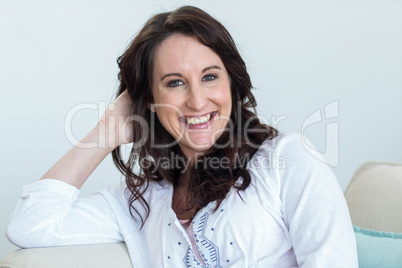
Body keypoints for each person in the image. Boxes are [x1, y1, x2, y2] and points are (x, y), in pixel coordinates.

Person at [6, 5, 358, 267]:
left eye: (210, 77)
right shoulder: (140, 200)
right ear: (150, 100)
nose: (197, 100)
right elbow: (31, 227)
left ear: (232, 85)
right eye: (174, 83)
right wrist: (108, 131)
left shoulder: (287, 160)